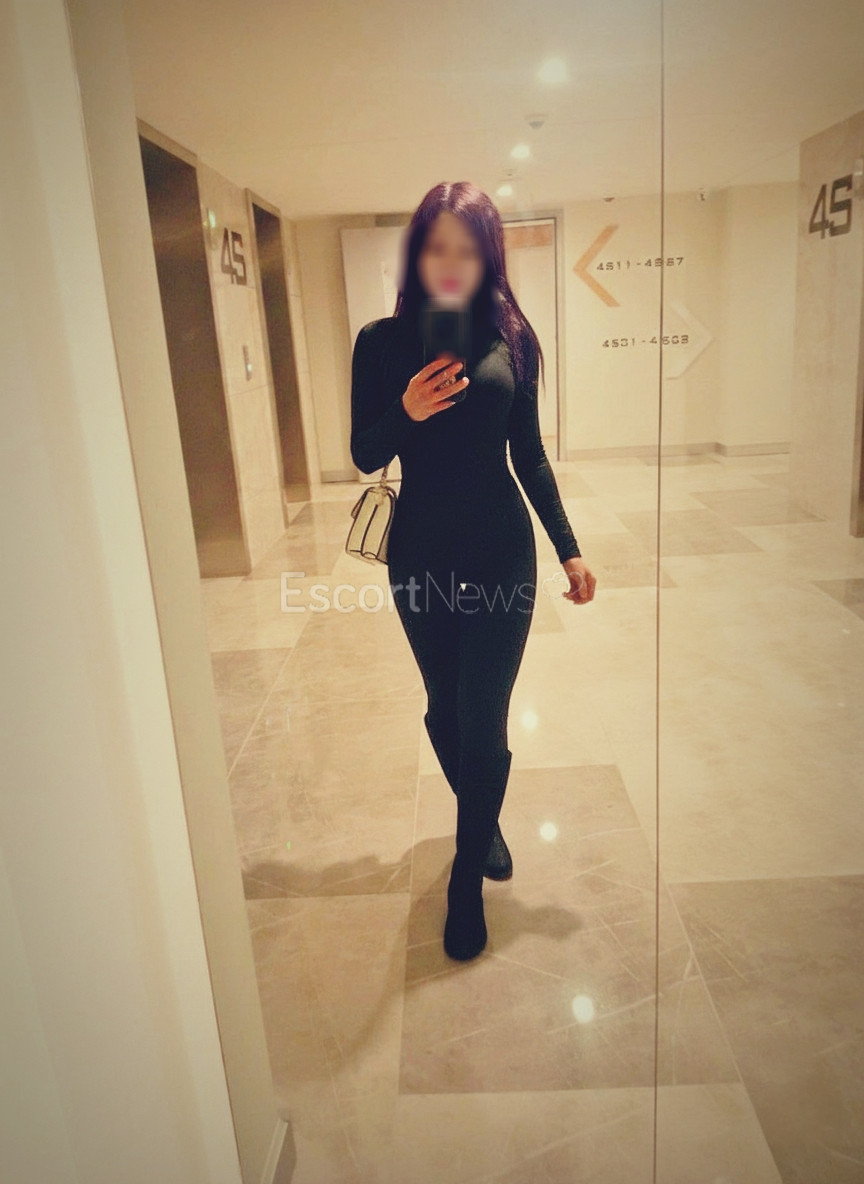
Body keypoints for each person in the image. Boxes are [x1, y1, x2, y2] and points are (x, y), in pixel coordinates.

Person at [350, 182, 596, 961]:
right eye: (437, 246)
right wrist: (406, 413)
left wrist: (568, 546)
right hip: (419, 552)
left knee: (483, 715)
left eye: (468, 248)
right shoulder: (380, 343)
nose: (451, 262)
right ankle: (481, 818)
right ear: (417, 252)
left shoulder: (511, 340)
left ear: (488, 257)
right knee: (443, 709)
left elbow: (530, 456)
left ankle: (465, 880)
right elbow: (363, 452)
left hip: (500, 551)